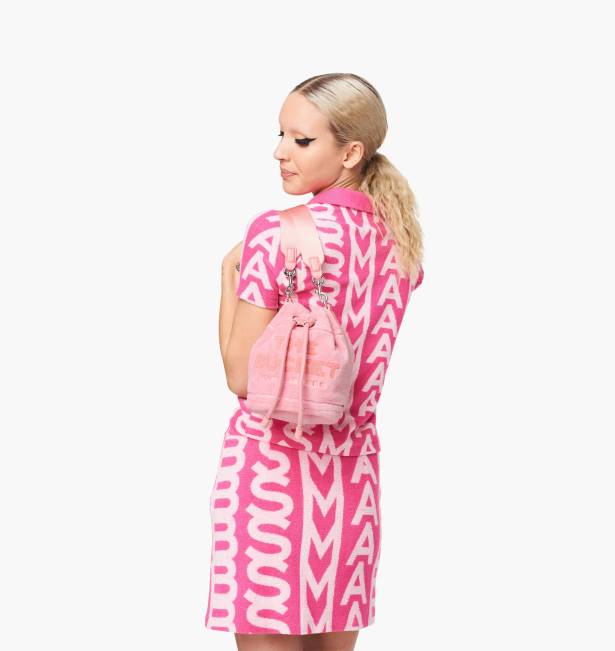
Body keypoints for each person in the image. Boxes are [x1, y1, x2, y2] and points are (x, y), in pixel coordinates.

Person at [205, 73, 425, 651]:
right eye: (281, 135)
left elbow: (240, 376)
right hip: (352, 483)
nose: (281, 151)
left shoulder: (275, 234)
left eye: (301, 140)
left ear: (350, 152)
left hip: (271, 482)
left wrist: (227, 274)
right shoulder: (399, 242)